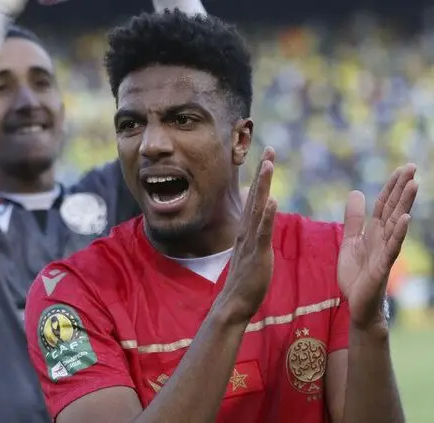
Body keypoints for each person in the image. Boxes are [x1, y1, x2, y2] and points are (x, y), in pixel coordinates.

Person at [25, 11, 416, 423]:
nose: (151, 144)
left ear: (240, 140)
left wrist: (369, 326)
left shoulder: (329, 258)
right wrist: (232, 307)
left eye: (183, 119)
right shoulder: (72, 293)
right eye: (131, 124)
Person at [0, 0, 202, 421]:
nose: (28, 100)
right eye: (0, 87)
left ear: (63, 108)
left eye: (41, 83)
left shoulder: (117, 199)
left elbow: (206, 98)